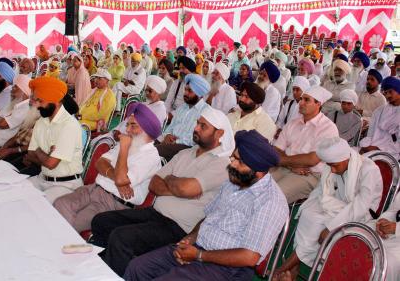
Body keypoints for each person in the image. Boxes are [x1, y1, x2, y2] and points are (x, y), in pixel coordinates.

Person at [125, 129, 287, 281]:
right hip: (197, 248)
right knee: (137, 268)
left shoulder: (270, 202)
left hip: (227, 269)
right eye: (233, 158)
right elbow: (208, 217)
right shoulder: (235, 181)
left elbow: (249, 257)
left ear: (258, 172)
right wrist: (189, 239)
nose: (232, 165)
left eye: (240, 163)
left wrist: (199, 255)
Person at [90, 106, 234, 276]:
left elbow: (185, 188)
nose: (196, 128)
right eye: (197, 123)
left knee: (121, 238)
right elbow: (155, 184)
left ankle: (110, 274)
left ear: (219, 134)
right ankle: (102, 268)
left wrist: (174, 181)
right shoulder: (185, 153)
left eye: (203, 126)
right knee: (101, 221)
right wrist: (180, 188)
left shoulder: (222, 164)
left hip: (178, 228)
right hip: (155, 214)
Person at [273, 137, 382, 281]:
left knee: (318, 222)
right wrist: (307, 205)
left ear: (345, 158)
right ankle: (294, 267)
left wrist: (332, 227)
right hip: (339, 204)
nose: (332, 169)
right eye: (329, 165)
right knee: (307, 213)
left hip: (363, 214)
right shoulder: (335, 164)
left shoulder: (369, 169)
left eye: (334, 165)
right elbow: (320, 190)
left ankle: (286, 267)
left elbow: (361, 205)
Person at [53, 103, 162, 232]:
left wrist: (123, 149)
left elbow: (121, 180)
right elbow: (100, 163)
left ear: (147, 130)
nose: (127, 130)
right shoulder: (130, 142)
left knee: (71, 223)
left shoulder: (150, 156)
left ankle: (61, 241)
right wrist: (115, 177)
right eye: (127, 125)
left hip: (113, 203)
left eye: (133, 126)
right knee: (59, 203)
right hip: (93, 189)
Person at [272, 86, 339, 203]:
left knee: (274, 196)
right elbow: (276, 149)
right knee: (255, 183)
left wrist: (284, 161)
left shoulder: (328, 128)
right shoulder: (293, 123)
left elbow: (312, 160)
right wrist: (290, 165)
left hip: (309, 175)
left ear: (318, 104)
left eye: (306, 100)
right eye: (302, 99)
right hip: (286, 167)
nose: (301, 103)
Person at [26, 77, 84, 203]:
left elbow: (51, 164)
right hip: (42, 178)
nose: (37, 105)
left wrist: (39, 151)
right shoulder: (41, 122)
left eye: (40, 101)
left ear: (56, 101)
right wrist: (47, 156)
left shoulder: (69, 125)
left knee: (35, 204)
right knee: (16, 192)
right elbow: (30, 155)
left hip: (65, 185)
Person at [157, 74, 210, 161]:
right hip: (171, 143)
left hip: (188, 148)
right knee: (147, 146)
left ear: (200, 94)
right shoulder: (182, 107)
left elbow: (197, 138)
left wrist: (176, 141)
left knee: (154, 152)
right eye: (185, 89)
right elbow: (171, 126)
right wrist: (167, 135)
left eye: (190, 91)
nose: (185, 93)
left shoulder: (206, 112)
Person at [359, 76, 400, 160]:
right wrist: (365, 147)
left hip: (391, 153)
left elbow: (398, 144)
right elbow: (370, 135)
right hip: (372, 147)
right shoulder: (379, 111)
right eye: (385, 93)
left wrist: (377, 148)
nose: (387, 95)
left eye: (390, 92)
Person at [368, 192, 400, 281]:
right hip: (392, 232)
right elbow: (394, 211)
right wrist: (382, 222)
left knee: (385, 262)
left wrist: (396, 228)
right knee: (358, 234)